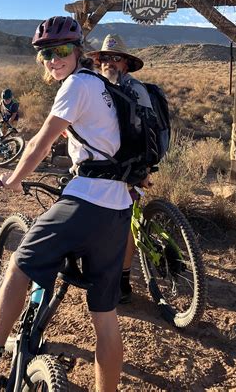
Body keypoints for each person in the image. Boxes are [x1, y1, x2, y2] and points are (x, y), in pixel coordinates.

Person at [0, 16, 132, 392]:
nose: (53, 60)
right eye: (45, 55)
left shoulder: (76, 84)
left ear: (77, 52)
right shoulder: (104, 87)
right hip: (118, 209)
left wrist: (14, 178)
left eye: (60, 52)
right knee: (104, 317)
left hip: (86, 202)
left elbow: (42, 140)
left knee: (19, 266)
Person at [86, 34, 152, 304]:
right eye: (104, 57)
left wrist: (141, 169)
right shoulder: (99, 88)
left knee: (122, 227)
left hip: (127, 168)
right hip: (105, 167)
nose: (108, 62)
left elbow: (144, 132)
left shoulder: (133, 90)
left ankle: (122, 282)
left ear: (126, 63)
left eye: (116, 58)